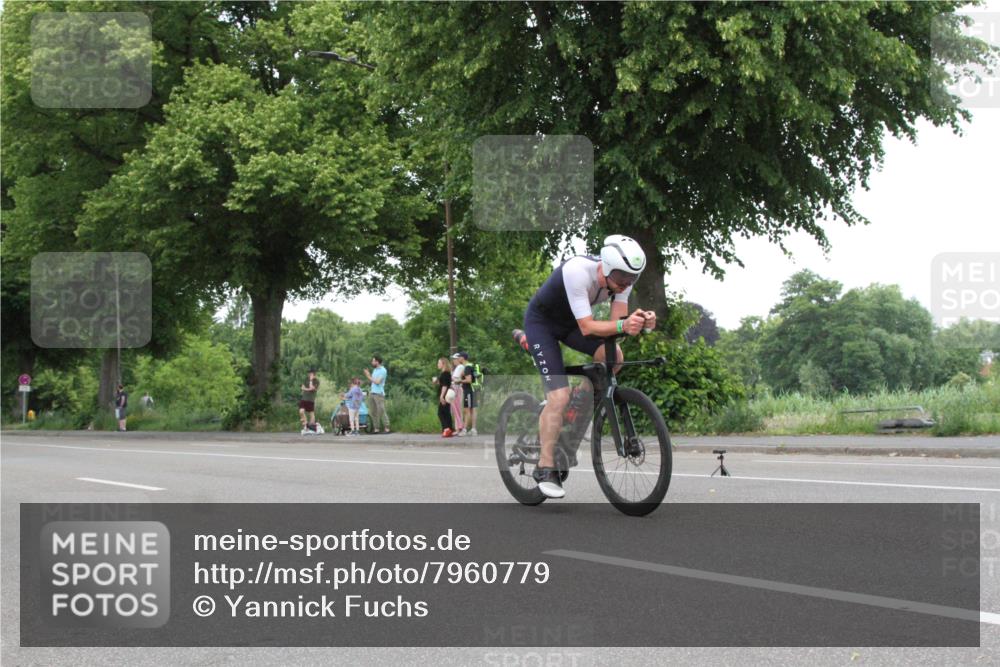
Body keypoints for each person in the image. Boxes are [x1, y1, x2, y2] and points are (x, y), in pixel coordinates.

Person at [522, 234, 657, 499]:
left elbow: (616, 325)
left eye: (632, 279)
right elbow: (587, 327)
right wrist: (622, 325)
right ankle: (545, 467)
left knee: (614, 357)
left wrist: (640, 321)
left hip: (572, 323)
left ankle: (577, 406)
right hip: (543, 325)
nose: (625, 284)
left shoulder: (622, 278)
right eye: (621, 279)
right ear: (606, 268)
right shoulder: (577, 272)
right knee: (558, 397)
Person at [364, 355, 390, 433]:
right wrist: (369, 375)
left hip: (379, 393)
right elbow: (373, 381)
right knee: (373, 412)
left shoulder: (383, 370)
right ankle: (376, 428)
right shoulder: (375, 370)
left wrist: (368, 376)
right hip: (372, 393)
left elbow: (377, 382)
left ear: (377, 362)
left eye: (373, 361)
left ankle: (387, 427)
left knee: (381, 410)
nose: (372, 362)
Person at [457, 351, 478, 436]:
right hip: (473, 390)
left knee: (467, 410)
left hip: (468, 390)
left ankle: (464, 430)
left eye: (459, 357)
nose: (458, 358)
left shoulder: (467, 367)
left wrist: (459, 381)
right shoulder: (470, 366)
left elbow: (468, 380)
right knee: (473, 410)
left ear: (463, 358)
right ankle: (473, 429)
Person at [435, 357, 455, 437]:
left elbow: (445, 386)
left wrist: (441, 396)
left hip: (445, 395)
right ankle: (450, 429)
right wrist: (437, 382)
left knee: (441, 413)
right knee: (446, 412)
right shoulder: (447, 373)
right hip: (448, 396)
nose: (437, 365)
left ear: (443, 364)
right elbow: (443, 384)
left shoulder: (444, 374)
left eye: (439, 363)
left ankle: (446, 429)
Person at [299, 369, 320, 433]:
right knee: (301, 411)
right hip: (304, 399)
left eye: (310, 374)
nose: (309, 375)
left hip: (311, 400)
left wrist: (311, 380)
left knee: (311, 414)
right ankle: (306, 425)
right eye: (309, 374)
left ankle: (312, 427)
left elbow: (312, 388)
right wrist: (307, 389)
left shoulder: (316, 381)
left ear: (314, 374)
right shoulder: (306, 379)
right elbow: (302, 387)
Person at [449, 352, 465, 434]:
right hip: (456, 388)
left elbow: (455, 379)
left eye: (455, 359)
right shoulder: (457, 367)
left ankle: (459, 428)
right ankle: (458, 428)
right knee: (455, 408)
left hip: (457, 388)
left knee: (457, 408)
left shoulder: (460, 367)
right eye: (453, 359)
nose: (454, 360)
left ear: (459, 359)